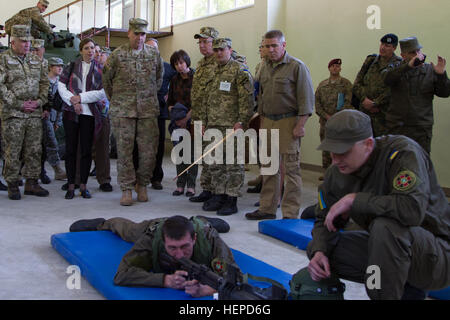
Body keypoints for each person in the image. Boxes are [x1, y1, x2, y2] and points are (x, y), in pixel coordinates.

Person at [304, 109, 450, 300]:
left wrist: (355, 200)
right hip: (389, 250)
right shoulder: (335, 173)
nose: (336, 159)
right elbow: (325, 219)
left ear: (368, 144)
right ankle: (404, 291)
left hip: (436, 256)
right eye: (331, 151)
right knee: (321, 249)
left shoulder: (402, 153)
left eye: (343, 151)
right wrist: (320, 251)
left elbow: (411, 210)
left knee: (385, 227)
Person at [69, 215, 235, 298]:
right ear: (163, 242)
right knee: (129, 231)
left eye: (185, 247)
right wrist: (165, 280)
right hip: (157, 226)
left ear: (194, 239)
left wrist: (206, 289)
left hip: (196, 226)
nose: (179, 254)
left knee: (202, 224)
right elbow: (121, 275)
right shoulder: (152, 239)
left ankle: (202, 218)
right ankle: (103, 223)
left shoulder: (209, 237)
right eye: (172, 248)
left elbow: (235, 275)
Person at [246, 30, 315, 220]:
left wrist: (300, 125)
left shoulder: (296, 67)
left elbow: (307, 100)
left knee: (291, 170)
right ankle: (267, 209)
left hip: (289, 122)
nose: (270, 49)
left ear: (283, 45)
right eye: (267, 46)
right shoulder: (263, 67)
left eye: (274, 45)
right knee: (268, 168)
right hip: (267, 120)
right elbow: (259, 93)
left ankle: (290, 213)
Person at [102, 18, 164, 206]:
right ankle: (127, 189)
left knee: (148, 153)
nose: (139, 37)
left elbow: (159, 79)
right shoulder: (117, 55)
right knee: (124, 152)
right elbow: (107, 81)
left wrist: (148, 96)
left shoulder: (154, 54)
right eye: (136, 33)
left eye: (143, 34)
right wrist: (118, 100)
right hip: (123, 110)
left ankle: (142, 184)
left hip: (147, 110)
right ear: (129, 33)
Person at [0, 25, 50, 200]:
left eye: (28, 41)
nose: (27, 45)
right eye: (23, 41)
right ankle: (13, 183)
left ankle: (32, 182)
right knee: (13, 150)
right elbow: (1, 87)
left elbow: (45, 83)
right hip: (13, 113)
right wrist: (19, 104)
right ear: (12, 42)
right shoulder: (3, 60)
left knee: (34, 149)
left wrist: (39, 102)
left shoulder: (36, 60)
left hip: (34, 113)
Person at [58, 38, 106, 199]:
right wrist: (73, 101)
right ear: (81, 50)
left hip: (90, 114)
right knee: (71, 151)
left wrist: (81, 98)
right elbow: (61, 85)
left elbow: (102, 92)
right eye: (86, 48)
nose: (90, 51)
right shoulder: (71, 66)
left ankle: (83, 186)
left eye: (92, 48)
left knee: (86, 151)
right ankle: (71, 185)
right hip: (71, 113)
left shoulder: (100, 69)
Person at [384, 37, 450, 154]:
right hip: (398, 126)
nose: (417, 55)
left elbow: (445, 93)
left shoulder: (430, 70)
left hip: (421, 128)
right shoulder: (395, 69)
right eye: (412, 52)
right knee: (395, 162)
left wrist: (441, 75)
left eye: (418, 51)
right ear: (403, 55)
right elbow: (387, 79)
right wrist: (408, 66)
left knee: (421, 162)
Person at [189, 27, 220, 204]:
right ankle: (207, 189)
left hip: (216, 117)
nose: (201, 45)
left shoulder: (222, 61)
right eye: (199, 42)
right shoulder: (201, 64)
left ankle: (217, 191)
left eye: (205, 42)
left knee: (216, 157)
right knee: (204, 156)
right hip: (200, 117)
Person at [352, 33, 401, 137]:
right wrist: (364, 99)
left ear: (394, 48)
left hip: (384, 118)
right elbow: (357, 84)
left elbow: (395, 90)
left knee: (383, 149)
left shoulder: (399, 65)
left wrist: (375, 103)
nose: (382, 48)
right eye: (382, 44)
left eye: (387, 46)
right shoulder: (371, 61)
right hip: (365, 115)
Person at [145, 38, 177, 191]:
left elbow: (178, 80)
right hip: (142, 112)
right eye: (148, 48)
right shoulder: (141, 66)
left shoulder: (167, 67)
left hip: (159, 111)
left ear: (158, 50)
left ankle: (156, 178)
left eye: (154, 48)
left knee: (158, 146)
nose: (152, 51)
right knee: (142, 146)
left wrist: (171, 94)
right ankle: (142, 178)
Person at [167, 50, 197, 197]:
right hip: (177, 121)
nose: (179, 66)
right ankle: (180, 185)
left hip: (192, 119)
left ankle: (191, 186)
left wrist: (186, 119)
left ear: (187, 61)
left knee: (191, 154)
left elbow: (198, 102)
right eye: (176, 64)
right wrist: (174, 113)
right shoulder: (174, 80)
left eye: (181, 62)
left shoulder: (196, 77)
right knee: (179, 154)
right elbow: (170, 101)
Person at [315, 58, 353, 173]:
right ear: (329, 68)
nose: (335, 68)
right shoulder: (322, 85)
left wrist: (337, 116)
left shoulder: (346, 84)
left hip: (340, 122)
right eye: (333, 66)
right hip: (325, 122)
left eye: (337, 66)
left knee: (340, 148)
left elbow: (348, 101)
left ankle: (339, 173)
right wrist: (326, 116)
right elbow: (317, 103)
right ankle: (327, 173)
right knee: (326, 147)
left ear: (340, 68)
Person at [42, 57, 67, 182]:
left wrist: (58, 121)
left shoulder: (60, 84)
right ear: (50, 67)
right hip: (42, 117)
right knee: (51, 143)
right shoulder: (44, 82)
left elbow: (60, 105)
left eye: (61, 66)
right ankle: (57, 169)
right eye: (57, 66)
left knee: (47, 143)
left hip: (52, 118)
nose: (60, 68)